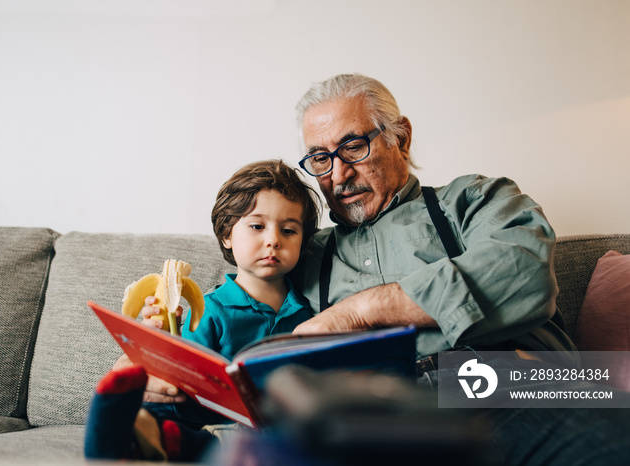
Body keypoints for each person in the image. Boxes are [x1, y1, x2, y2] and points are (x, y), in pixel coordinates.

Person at [289, 73, 630, 465]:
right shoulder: (304, 251)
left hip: (511, 381)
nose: (338, 174)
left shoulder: (474, 199)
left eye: (353, 147)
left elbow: (523, 271)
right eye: (320, 158)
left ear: (400, 138)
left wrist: (360, 310)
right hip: (375, 410)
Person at [84, 159, 321, 462]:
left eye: (288, 230)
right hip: (205, 420)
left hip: (272, 429)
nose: (273, 240)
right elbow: (183, 379)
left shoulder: (308, 312)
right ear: (227, 235)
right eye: (257, 226)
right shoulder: (210, 308)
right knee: (166, 415)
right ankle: (121, 426)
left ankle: (154, 438)